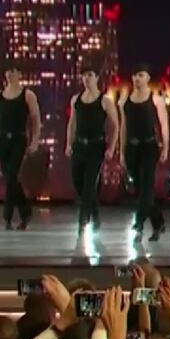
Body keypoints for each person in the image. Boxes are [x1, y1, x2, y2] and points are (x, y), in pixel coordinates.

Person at [0, 62, 41, 231]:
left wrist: (35, 140)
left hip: (18, 140)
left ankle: (7, 216)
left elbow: (36, 119)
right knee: (9, 178)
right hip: (2, 140)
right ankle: (25, 213)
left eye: (13, 71)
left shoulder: (27, 95)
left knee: (11, 174)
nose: (9, 74)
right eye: (7, 71)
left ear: (19, 74)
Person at [64, 64, 119, 236]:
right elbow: (72, 124)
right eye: (84, 75)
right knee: (78, 184)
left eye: (89, 75)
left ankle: (83, 221)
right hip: (79, 145)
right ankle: (95, 214)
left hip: (96, 146)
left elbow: (115, 125)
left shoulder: (105, 101)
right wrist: (68, 143)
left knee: (89, 184)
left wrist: (111, 147)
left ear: (96, 77)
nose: (86, 78)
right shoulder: (76, 99)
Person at [119, 64, 169, 243]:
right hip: (132, 148)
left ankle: (138, 224)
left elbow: (164, 124)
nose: (136, 78)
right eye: (134, 75)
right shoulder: (126, 99)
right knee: (141, 191)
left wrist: (165, 147)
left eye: (140, 75)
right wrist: (122, 152)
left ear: (147, 78)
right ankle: (158, 222)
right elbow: (123, 126)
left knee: (146, 186)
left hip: (149, 147)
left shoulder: (155, 99)